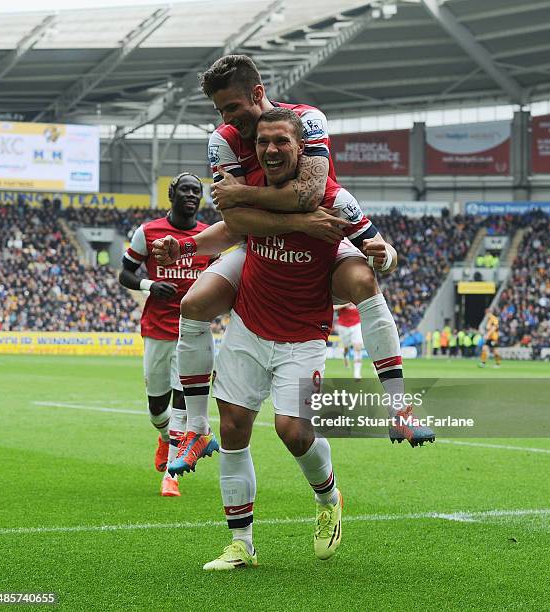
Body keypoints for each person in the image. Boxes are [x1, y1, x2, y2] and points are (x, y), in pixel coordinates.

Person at [154, 108, 434, 568]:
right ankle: (241, 544)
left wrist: (385, 255)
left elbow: (381, 254)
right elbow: (231, 230)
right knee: (234, 429)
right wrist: (186, 245)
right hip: (248, 326)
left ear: (302, 149)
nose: (270, 150)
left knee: (293, 431)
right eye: (263, 143)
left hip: (303, 336)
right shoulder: (256, 195)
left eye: (281, 142)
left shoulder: (335, 200)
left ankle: (329, 498)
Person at [169, 55, 425, 474]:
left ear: (258, 93)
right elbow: (236, 222)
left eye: (233, 107)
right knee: (194, 304)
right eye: (221, 111)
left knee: (363, 278)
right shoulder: (224, 140)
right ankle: (194, 428)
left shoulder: (307, 120)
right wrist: (301, 220)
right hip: (266, 246)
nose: (228, 119)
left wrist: (384, 253)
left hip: (320, 243)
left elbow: (310, 193)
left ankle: (399, 406)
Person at [118, 173, 218, 497]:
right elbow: (125, 273)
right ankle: (164, 439)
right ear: (172, 193)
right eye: (186, 189)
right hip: (157, 329)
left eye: (197, 191)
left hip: (193, 330)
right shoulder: (147, 233)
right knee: (156, 409)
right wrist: (150, 285)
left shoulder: (208, 236)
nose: (191, 195)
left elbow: (219, 277)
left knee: (182, 403)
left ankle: (171, 476)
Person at [334, 303, 364, 381]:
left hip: (356, 324)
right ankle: (345, 357)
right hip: (343, 326)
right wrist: (345, 304)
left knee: (357, 347)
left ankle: (357, 374)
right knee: (346, 347)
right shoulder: (342, 296)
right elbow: (333, 307)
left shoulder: (358, 294)